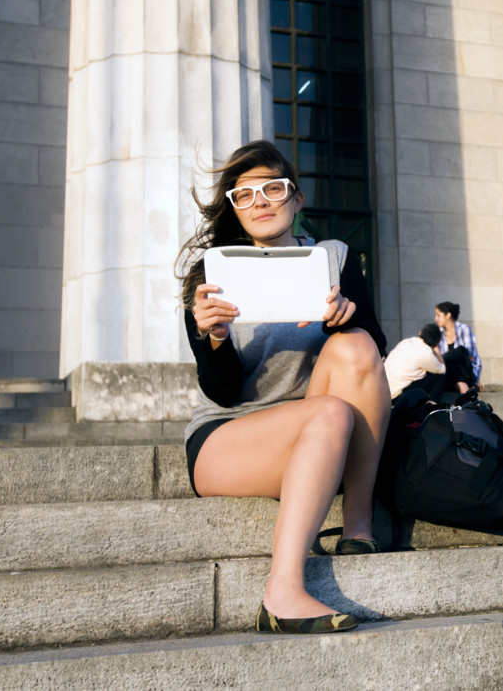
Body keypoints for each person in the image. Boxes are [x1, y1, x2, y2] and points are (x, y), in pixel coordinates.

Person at [179, 140, 389, 635]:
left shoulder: (333, 258)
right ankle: (282, 592)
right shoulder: (210, 275)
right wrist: (212, 336)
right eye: (245, 195)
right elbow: (223, 391)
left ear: (296, 199)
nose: (261, 201)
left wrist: (343, 318)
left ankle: (358, 524)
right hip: (229, 437)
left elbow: (374, 352)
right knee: (330, 414)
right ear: (234, 208)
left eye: (273, 188)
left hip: (317, 425)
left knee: (355, 346)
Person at [385, 324, 448, 400]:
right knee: (440, 378)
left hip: (386, 391)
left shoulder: (406, 341)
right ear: (436, 343)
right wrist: (437, 350)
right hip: (398, 394)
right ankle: (432, 406)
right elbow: (442, 370)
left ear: (420, 333)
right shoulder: (426, 353)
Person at [434, 301, 481, 393]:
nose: (435, 319)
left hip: (467, 371)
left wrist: (445, 358)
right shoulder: (439, 333)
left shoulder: (464, 329)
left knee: (460, 352)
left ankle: (466, 390)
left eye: (438, 315)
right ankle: (466, 392)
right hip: (448, 372)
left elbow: (468, 356)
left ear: (448, 315)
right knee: (450, 363)